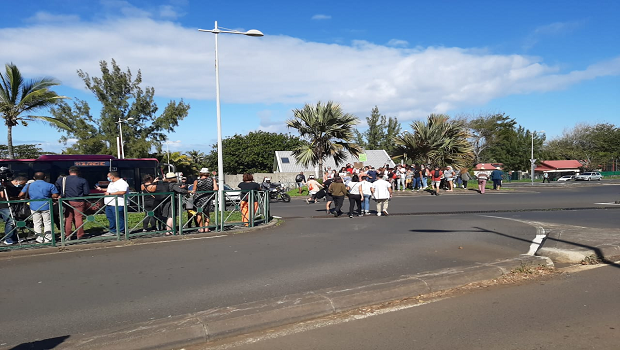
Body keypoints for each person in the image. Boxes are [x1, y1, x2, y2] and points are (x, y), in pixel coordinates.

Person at [19, 172, 59, 243]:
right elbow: (55, 195)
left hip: (34, 206)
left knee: (37, 223)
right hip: (46, 205)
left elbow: (20, 195)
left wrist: (29, 198)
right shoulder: (50, 185)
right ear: (45, 177)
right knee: (47, 222)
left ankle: (39, 239)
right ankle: (48, 239)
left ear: (34, 178)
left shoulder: (29, 185)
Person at [56, 166, 90, 240]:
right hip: (79, 201)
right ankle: (80, 234)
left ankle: (68, 235)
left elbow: (56, 188)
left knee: (68, 218)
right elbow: (86, 192)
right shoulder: (82, 180)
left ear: (69, 171)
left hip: (67, 201)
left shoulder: (62, 180)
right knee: (78, 217)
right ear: (78, 172)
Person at [98, 171, 129, 237]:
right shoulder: (112, 183)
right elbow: (110, 189)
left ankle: (121, 231)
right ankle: (113, 230)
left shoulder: (122, 183)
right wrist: (101, 189)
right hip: (109, 203)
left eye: (108, 176)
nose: (107, 178)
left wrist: (110, 194)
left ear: (112, 176)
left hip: (118, 203)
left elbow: (123, 191)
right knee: (110, 217)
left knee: (118, 217)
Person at [0, 175, 27, 245]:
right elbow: (4, 197)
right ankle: (8, 238)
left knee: (14, 221)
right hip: (4, 206)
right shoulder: (6, 186)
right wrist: (17, 199)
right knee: (10, 221)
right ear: (16, 181)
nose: (21, 186)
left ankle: (14, 237)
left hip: (12, 206)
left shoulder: (14, 187)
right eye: (21, 184)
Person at [192, 168, 217, 232]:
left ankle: (201, 228)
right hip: (208, 198)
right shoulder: (212, 179)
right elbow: (216, 189)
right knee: (207, 213)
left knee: (199, 213)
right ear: (208, 173)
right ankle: (206, 228)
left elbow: (194, 190)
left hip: (198, 198)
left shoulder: (196, 181)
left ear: (200, 173)